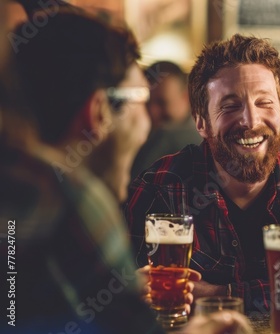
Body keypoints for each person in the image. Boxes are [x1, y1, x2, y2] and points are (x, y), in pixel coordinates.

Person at [1, 7, 251, 334]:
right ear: (100, 112)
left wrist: (119, 293)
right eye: (143, 101)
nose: (149, 121)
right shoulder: (72, 199)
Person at [124, 33, 280, 312]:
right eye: (230, 105)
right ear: (201, 122)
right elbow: (120, 296)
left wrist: (219, 295)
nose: (250, 121)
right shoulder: (161, 185)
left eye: (264, 103)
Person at [131, 60, 200, 178]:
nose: (152, 111)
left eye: (161, 103)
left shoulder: (167, 137)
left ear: (186, 98)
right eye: (146, 102)